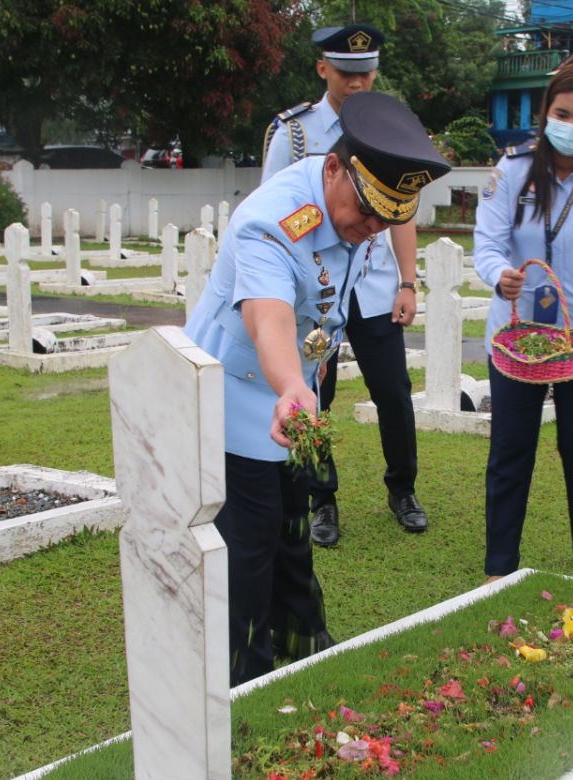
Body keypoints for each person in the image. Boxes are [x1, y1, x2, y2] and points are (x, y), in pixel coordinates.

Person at [185, 92, 449, 684]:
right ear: (334, 168)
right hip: (233, 394)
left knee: (293, 533)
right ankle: (243, 683)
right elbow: (269, 314)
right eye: (367, 215)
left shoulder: (355, 208)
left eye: (387, 220)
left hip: (292, 398)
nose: (371, 231)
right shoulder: (271, 221)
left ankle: (304, 652)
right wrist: (289, 382)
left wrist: (311, 373)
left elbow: (324, 301)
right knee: (247, 551)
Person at [263, 24, 426, 548]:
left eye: (366, 73)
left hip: (375, 287)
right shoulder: (295, 134)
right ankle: (322, 499)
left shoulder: (390, 128)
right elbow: (272, 216)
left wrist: (408, 281)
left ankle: (402, 490)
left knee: (394, 394)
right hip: (315, 293)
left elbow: (400, 211)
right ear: (322, 70)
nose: (357, 84)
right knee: (316, 395)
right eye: (346, 73)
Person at [474, 64, 573, 584]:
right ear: (545, 112)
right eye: (561, 113)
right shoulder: (513, 170)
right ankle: (499, 570)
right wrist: (501, 276)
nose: (570, 124)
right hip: (518, 340)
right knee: (510, 453)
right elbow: (489, 242)